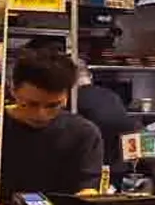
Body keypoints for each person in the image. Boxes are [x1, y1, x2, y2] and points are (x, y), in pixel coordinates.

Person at [21, 38, 138, 182]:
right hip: (120, 167)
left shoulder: (75, 102)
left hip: (93, 168)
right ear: (90, 76)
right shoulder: (111, 95)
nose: (42, 113)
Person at [0, 48, 105, 203]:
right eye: (31, 104)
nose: (41, 114)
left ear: (67, 96)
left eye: (53, 105)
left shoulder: (83, 133)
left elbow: (87, 190)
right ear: (12, 90)